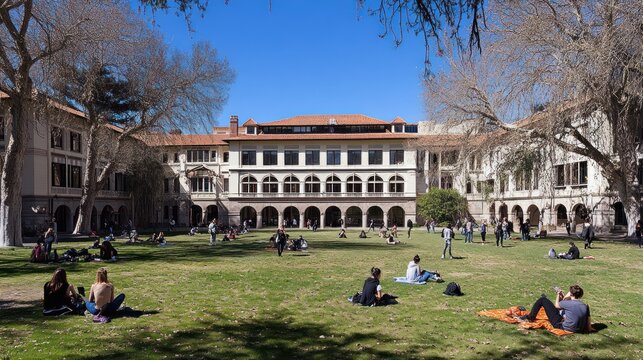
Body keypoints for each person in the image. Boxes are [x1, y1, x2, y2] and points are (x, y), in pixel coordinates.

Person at [517, 285, 591, 334]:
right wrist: (589, 329)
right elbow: (588, 320)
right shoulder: (585, 306)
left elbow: (557, 306)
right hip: (579, 329)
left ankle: (530, 317)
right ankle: (530, 317)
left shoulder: (568, 303)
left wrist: (558, 294)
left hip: (563, 326)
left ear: (571, 294)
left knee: (543, 300)